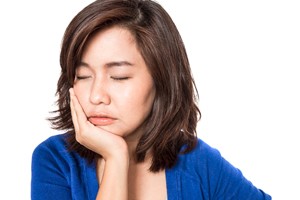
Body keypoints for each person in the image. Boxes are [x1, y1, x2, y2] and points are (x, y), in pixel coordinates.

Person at [31, 0, 272, 199]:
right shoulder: (56, 160)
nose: (96, 96)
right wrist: (116, 157)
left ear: (161, 80)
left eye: (119, 76)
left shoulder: (200, 163)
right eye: (82, 76)